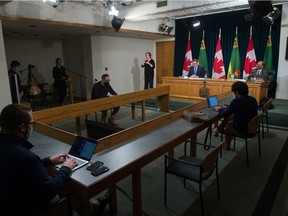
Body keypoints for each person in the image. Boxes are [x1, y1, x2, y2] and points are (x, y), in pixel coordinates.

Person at [0, 104, 78, 215]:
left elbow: (22, 168)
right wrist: (66, 168)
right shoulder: (26, 156)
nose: (32, 127)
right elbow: (50, 190)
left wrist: (49, 160)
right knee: (72, 191)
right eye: (32, 124)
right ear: (23, 127)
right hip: (24, 206)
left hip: (7, 202)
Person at [213, 81, 258, 150]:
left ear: (236, 92)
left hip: (242, 129)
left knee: (228, 124)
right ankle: (217, 130)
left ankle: (226, 144)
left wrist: (219, 109)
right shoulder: (253, 99)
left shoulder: (236, 101)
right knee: (230, 117)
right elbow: (241, 108)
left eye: (233, 92)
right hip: (252, 128)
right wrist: (227, 107)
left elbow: (224, 114)